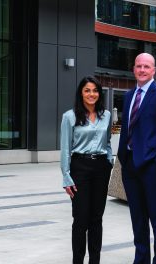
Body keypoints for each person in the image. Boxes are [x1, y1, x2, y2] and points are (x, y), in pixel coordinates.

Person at [117, 53, 156, 264]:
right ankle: (140, 259)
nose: (142, 70)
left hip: (153, 166)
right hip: (130, 165)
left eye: (146, 66)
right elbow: (127, 129)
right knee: (137, 218)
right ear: (134, 69)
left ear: (153, 70)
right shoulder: (128, 96)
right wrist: (123, 158)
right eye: (138, 66)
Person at [60, 76, 113, 264]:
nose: (92, 94)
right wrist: (66, 176)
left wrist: (108, 160)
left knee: (96, 218)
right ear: (81, 93)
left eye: (95, 90)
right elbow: (66, 148)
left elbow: (107, 142)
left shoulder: (106, 115)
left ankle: (95, 261)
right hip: (79, 168)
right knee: (81, 218)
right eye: (87, 90)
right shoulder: (69, 116)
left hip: (100, 168)